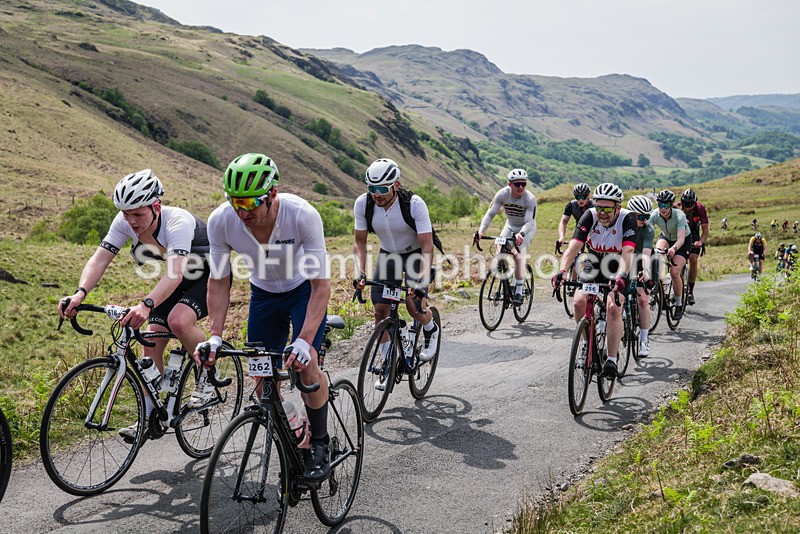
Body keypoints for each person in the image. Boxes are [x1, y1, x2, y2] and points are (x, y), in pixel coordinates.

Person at [194, 153, 332, 482]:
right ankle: (294, 432)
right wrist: (214, 335)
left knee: (307, 362)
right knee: (261, 379)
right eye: (234, 202)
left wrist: (303, 340)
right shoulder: (221, 221)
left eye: (248, 203)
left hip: (303, 293)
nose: (242, 213)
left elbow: (321, 286)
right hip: (264, 296)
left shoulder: (302, 216)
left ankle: (323, 443)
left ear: (271, 194)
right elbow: (219, 281)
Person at [58, 169, 212, 440]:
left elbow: (175, 274)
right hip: (176, 277)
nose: (131, 221)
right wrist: (80, 293)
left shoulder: (178, 222)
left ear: (156, 206)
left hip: (209, 274)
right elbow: (100, 259)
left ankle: (207, 375)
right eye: (126, 214)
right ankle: (151, 414)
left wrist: (145, 305)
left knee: (178, 321)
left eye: (137, 214)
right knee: (150, 338)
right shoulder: (124, 220)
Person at [353, 158, 440, 371]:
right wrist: (359, 272)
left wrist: (420, 282)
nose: (377, 194)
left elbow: (427, 245)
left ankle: (430, 327)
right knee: (380, 310)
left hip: (415, 254)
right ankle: (387, 362)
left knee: (413, 307)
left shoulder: (414, 204)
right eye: (372, 188)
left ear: (396, 185)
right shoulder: (363, 204)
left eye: (383, 188)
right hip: (388, 255)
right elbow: (360, 242)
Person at [553, 183, 636, 378]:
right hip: (594, 259)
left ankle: (612, 360)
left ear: (617, 207)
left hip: (618, 263)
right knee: (579, 301)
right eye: (599, 207)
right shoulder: (589, 215)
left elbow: (628, 252)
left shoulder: (628, 218)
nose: (602, 213)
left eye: (607, 209)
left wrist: (621, 277)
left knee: (614, 308)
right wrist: (562, 271)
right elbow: (573, 247)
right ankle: (586, 344)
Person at [476, 168, 538, 307]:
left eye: (523, 183)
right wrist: (480, 231)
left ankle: (519, 291)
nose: (521, 187)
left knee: (518, 254)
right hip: (510, 225)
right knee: (499, 251)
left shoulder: (530, 199)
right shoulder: (502, 194)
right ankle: (506, 282)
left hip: (526, 228)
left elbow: (529, 222)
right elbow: (490, 214)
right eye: (517, 184)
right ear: (510, 184)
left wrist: (521, 234)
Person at [649, 190, 692, 322]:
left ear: (671, 205)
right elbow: (647, 232)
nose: (662, 208)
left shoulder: (679, 215)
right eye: (660, 204)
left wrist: (673, 249)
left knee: (674, 272)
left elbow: (680, 239)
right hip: (666, 237)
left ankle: (678, 304)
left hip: (682, 240)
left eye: (666, 205)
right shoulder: (655, 214)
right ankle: (659, 284)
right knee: (656, 254)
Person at [626, 195, 656, 357]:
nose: (644, 220)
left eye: (647, 216)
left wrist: (644, 271)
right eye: (640, 216)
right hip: (625, 259)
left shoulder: (648, 229)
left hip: (643, 260)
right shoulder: (623, 224)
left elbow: (646, 254)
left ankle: (644, 341)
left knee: (643, 299)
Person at [678, 189, 708, 306]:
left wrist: (701, 242)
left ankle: (690, 291)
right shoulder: (677, 208)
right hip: (680, 233)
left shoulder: (700, 209)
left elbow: (705, 231)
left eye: (690, 206)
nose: (688, 208)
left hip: (694, 234)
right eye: (685, 205)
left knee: (693, 259)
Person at [556, 183, 594, 252]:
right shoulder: (571, 205)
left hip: (593, 229)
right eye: (578, 197)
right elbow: (563, 222)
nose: (580, 200)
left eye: (583, 197)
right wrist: (561, 237)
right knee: (575, 251)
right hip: (580, 228)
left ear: (588, 196)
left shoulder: (594, 206)